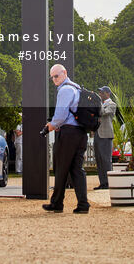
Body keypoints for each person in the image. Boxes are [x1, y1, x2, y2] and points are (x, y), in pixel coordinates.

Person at [42, 63, 89, 214]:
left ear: (65, 73)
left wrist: (49, 126)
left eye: (56, 76)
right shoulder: (77, 88)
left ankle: (57, 203)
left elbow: (61, 116)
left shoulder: (65, 90)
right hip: (81, 132)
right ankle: (83, 204)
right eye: (52, 77)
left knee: (61, 168)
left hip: (68, 133)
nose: (55, 79)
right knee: (77, 169)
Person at [93, 86, 116, 190]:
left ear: (108, 93)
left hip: (106, 135)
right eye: (100, 92)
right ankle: (102, 183)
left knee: (106, 160)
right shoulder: (101, 104)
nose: (100, 94)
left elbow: (102, 113)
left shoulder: (112, 104)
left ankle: (108, 183)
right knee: (99, 160)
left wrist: (97, 102)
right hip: (97, 134)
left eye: (102, 92)